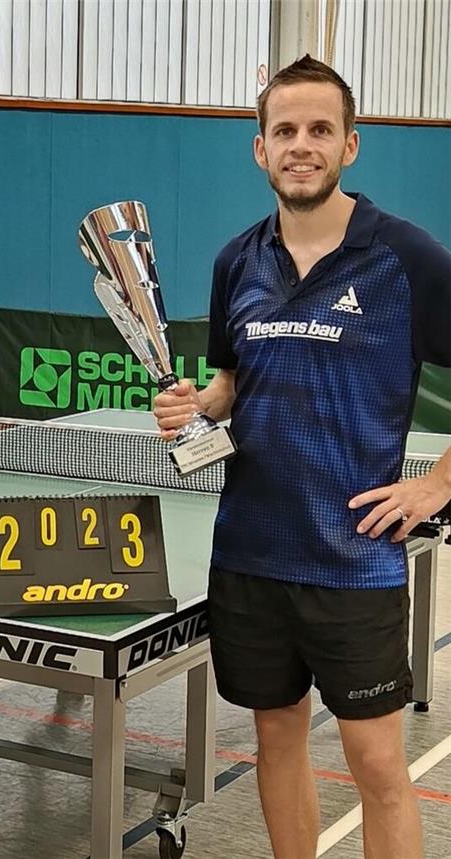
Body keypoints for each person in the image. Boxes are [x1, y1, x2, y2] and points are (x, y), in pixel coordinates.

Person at [154, 55, 450, 859]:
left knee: (378, 765)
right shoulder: (235, 262)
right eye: (284, 129)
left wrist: (438, 483)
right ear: (260, 149)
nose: (302, 144)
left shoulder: (407, 259)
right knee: (275, 746)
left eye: (321, 129)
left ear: (350, 143)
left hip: (355, 561)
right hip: (251, 554)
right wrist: (194, 405)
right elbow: (229, 383)